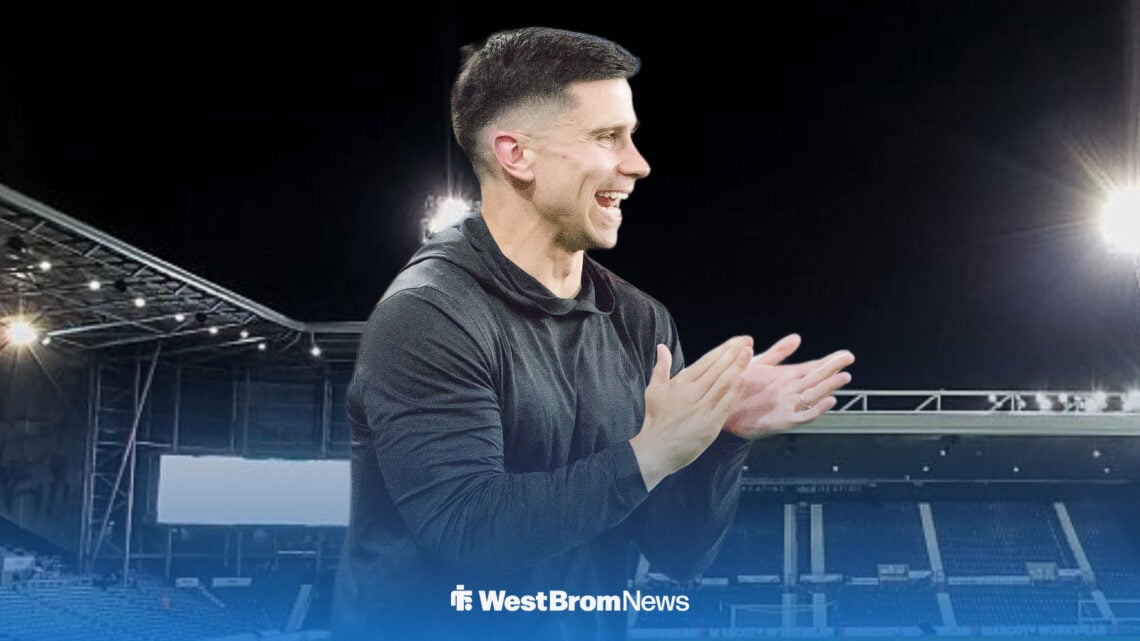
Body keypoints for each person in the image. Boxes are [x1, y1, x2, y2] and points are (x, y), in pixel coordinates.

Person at [331, 26, 854, 641]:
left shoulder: (640, 321)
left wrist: (720, 436)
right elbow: (468, 530)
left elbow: (676, 555)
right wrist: (651, 452)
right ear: (515, 154)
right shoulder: (428, 315)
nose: (638, 164)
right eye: (608, 137)